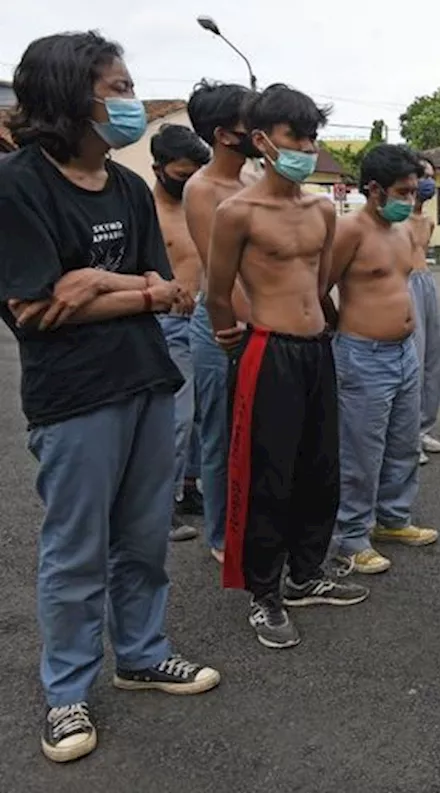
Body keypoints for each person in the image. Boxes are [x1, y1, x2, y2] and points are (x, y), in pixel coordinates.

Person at [1, 31, 220, 764]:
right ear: (72, 95)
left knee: (144, 535)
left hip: (148, 380)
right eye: (118, 89)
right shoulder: (18, 184)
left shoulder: (128, 186)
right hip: (75, 396)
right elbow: (33, 306)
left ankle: (142, 653)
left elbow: (172, 294)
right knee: (75, 548)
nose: (129, 102)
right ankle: (66, 690)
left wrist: (95, 282)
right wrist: (134, 288)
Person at [206, 84, 368, 650]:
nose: (305, 145)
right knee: (266, 476)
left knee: (321, 468)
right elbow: (217, 291)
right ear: (261, 141)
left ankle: (305, 574)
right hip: (266, 350)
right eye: (294, 136)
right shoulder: (237, 212)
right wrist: (230, 338)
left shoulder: (323, 208)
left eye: (311, 136)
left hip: (315, 348)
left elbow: (319, 286)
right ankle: (264, 594)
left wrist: (331, 332)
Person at [326, 143, 439, 576]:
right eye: (402, 191)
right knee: (360, 451)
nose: (410, 198)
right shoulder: (349, 230)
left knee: (403, 441)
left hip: (403, 352)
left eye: (413, 191)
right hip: (362, 354)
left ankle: (393, 517)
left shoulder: (405, 229)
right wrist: (344, 327)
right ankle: (351, 537)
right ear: (373, 190)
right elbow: (322, 285)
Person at [184, 79, 259, 563]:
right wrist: (242, 328)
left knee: (258, 434)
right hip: (223, 326)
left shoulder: (253, 181)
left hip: (263, 325)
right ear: (223, 134)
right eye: (249, 119)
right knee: (220, 435)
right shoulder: (202, 189)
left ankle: (253, 521)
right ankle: (221, 535)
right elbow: (221, 276)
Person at [149, 124, 210, 543]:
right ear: (159, 168)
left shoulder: (199, 205)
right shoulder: (145, 209)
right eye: (182, 173)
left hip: (207, 320)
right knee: (176, 418)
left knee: (204, 419)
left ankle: (189, 487)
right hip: (167, 323)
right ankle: (159, 505)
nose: (189, 182)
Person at [406, 152, 440, 461]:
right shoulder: (397, 219)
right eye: (423, 176)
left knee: (433, 359)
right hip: (405, 284)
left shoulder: (428, 221)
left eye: (432, 176)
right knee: (414, 360)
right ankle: (407, 437)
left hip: (426, 282)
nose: (429, 182)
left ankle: (423, 428)